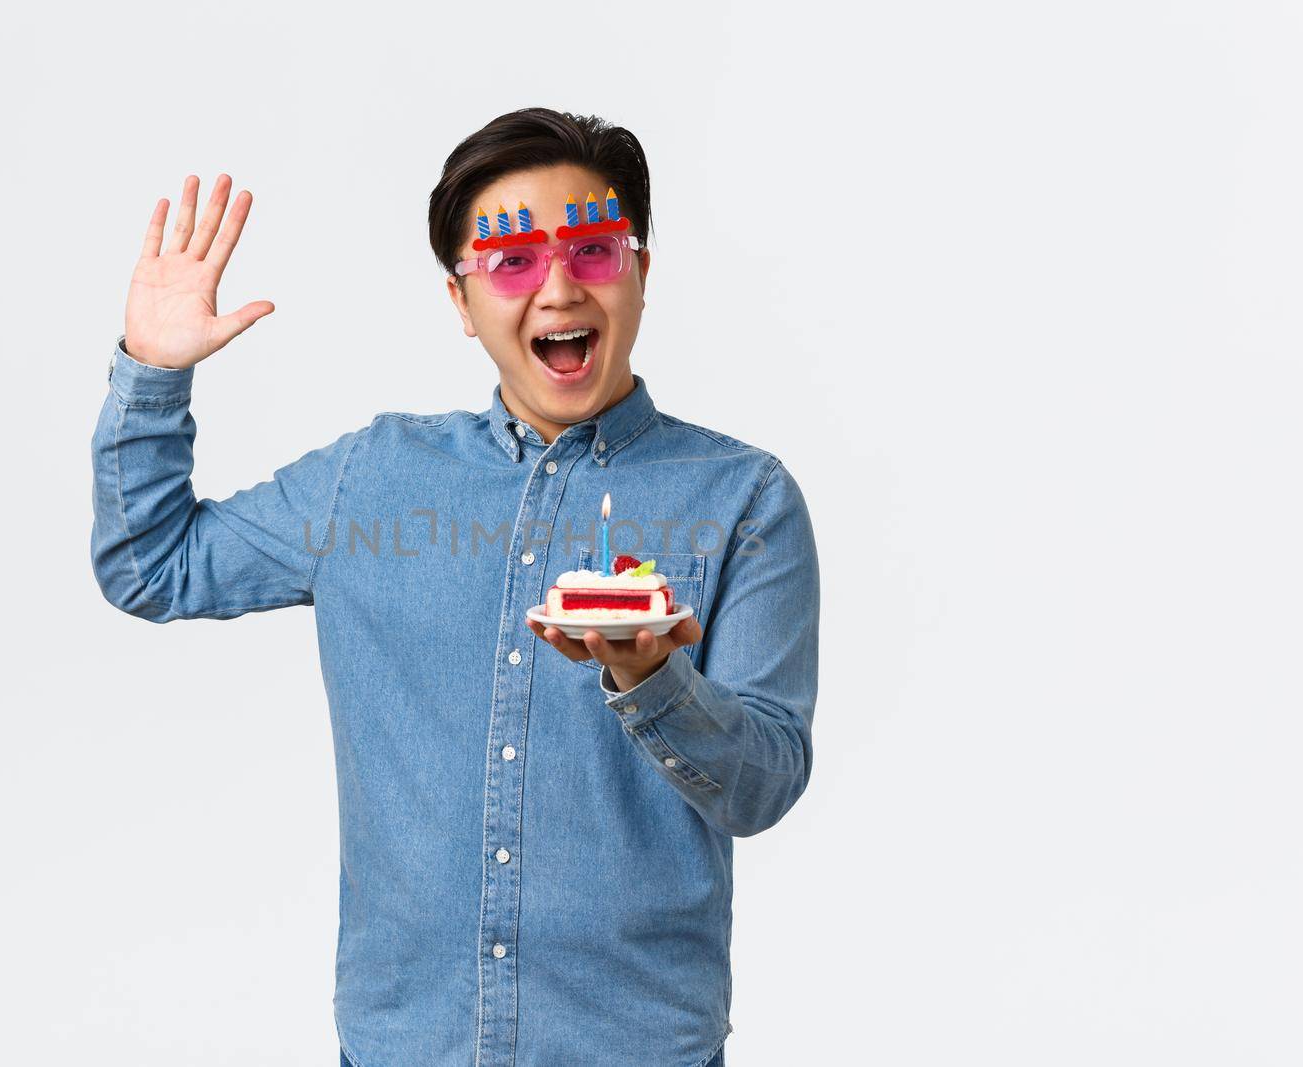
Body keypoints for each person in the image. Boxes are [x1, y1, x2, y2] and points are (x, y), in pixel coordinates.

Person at [90, 107, 818, 1067]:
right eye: (512, 262)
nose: (559, 287)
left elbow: (762, 785)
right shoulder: (369, 480)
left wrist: (652, 682)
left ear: (640, 270)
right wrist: (152, 372)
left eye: (595, 249)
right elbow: (152, 566)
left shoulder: (744, 498)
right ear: (461, 301)